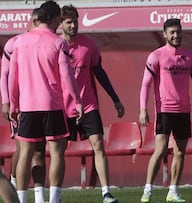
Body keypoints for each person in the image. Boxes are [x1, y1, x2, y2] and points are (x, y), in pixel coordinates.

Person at [8, 1, 83, 203]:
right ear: (55, 19)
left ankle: (21, 200)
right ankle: (54, 199)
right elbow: (67, 76)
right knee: (57, 152)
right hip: (52, 105)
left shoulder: (19, 42)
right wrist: (76, 101)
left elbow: (12, 76)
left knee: (25, 153)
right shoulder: (59, 42)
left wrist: (14, 105)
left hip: (28, 105)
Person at [60, 5, 125, 203]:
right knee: (58, 151)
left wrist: (115, 99)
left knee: (98, 145)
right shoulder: (55, 46)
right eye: (68, 22)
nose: (73, 25)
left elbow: (100, 73)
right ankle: (56, 195)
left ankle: (106, 192)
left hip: (88, 105)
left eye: (75, 21)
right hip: (63, 107)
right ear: (61, 24)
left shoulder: (89, 45)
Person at [139, 18, 192, 203]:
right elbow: (146, 84)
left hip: (183, 110)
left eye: (178, 32)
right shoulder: (156, 56)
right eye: (172, 32)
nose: (176, 35)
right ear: (165, 34)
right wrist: (143, 109)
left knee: (180, 152)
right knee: (160, 150)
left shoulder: (190, 56)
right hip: (164, 110)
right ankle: (148, 190)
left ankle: (173, 191)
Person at [0, 8, 47, 203]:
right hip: (21, 106)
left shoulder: (48, 42)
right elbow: (4, 74)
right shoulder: (14, 43)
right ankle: (15, 191)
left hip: (42, 105)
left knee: (39, 151)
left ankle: (40, 198)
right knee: (23, 150)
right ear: (33, 20)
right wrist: (6, 102)